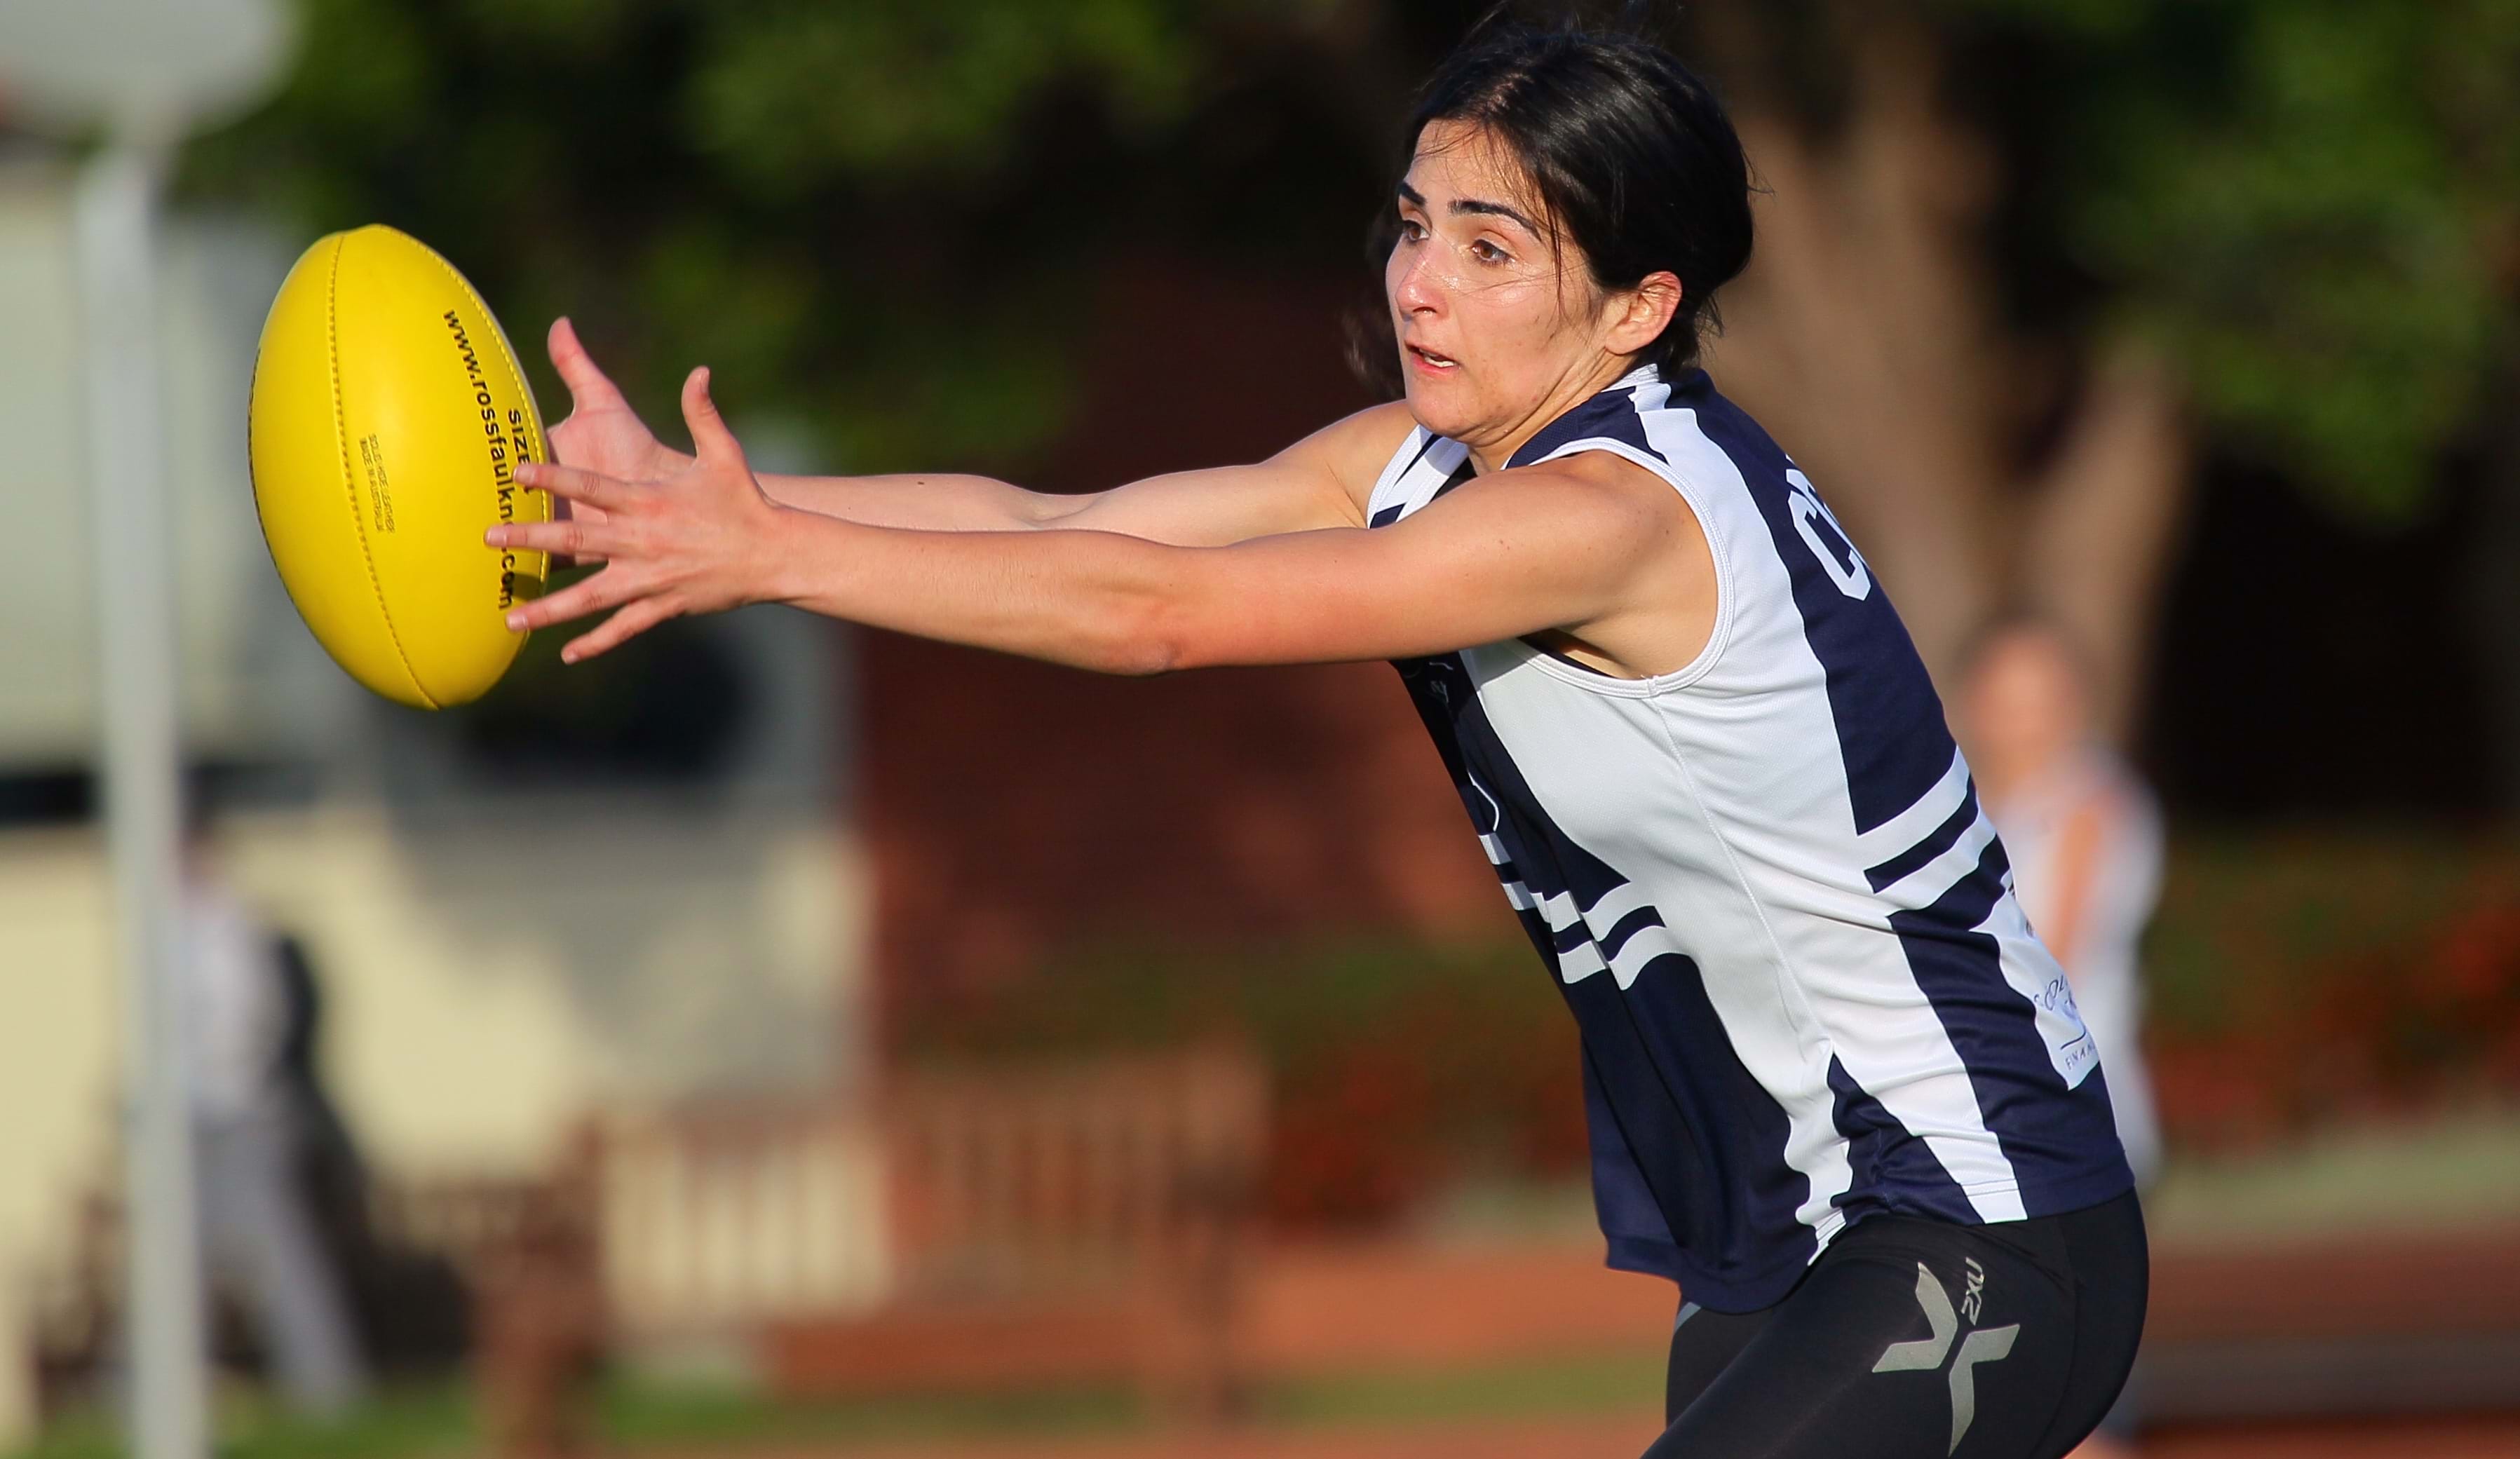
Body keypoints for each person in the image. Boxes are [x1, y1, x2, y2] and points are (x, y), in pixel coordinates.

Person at [488, 18, 2146, 1456]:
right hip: (1794, 1233)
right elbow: (1057, 523)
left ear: (1638, 306)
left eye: (1491, 250)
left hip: (1983, 1213)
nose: (1419, 283)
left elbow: (1155, 616)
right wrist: (700, 507)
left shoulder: (1613, 515)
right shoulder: (1425, 463)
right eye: (1415, 225)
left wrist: (767, 560)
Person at [1960, 620, 2167, 1458]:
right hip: (1985, 1135)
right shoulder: (1961, 810)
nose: (2026, 721)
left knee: (2070, 1401)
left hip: (2075, 1128)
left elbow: (2048, 961)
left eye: (2043, 698)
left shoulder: (2093, 806)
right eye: (2007, 699)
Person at [177, 802, 369, 1416]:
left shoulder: (228, 928)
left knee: (279, 1256)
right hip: (190, 1122)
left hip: (242, 1116)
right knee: (171, 1265)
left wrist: (228, 1086)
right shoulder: (169, 929)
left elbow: (251, 1024)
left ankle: (327, 1388)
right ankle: (138, 1394)